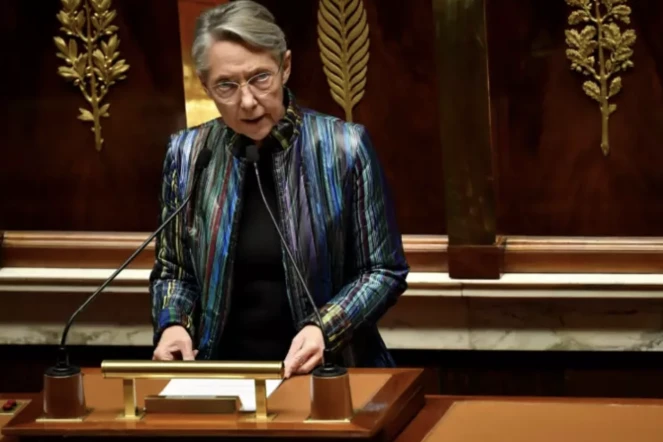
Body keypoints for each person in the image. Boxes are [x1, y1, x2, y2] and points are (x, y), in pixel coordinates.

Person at [149, 0, 409, 378]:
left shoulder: (344, 148)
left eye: (260, 78)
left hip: (329, 372)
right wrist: (173, 322)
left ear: (285, 67)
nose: (248, 101)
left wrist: (325, 327)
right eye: (227, 85)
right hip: (222, 377)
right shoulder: (188, 155)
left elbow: (383, 270)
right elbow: (174, 269)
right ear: (205, 86)